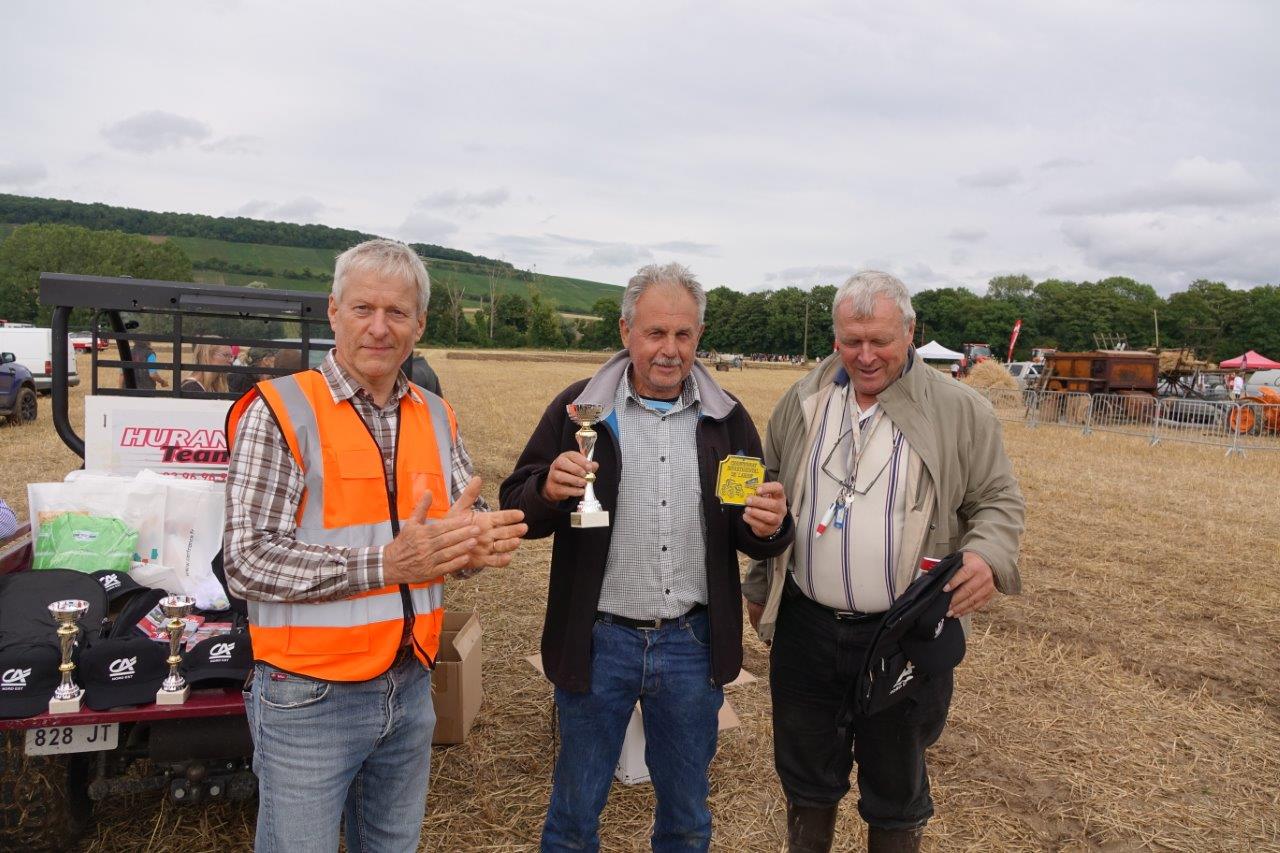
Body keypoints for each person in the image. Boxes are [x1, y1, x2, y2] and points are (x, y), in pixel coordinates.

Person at [224, 238, 528, 853]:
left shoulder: (438, 416)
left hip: (410, 685)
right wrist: (387, 562)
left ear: (420, 324)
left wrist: (472, 543)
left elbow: (445, 531)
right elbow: (247, 562)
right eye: (364, 309)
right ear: (333, 311)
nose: (379, 328)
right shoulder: (280, 411)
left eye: (397, 313)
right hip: (306, 696)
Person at [500, 262, 794, 852]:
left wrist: (771, 527)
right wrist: (547, 491)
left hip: (691, 643)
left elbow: (748, 527)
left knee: (685, 816)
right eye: (656, 333)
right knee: (575, 812)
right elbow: (518, 507)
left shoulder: (728, 419)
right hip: (598, 641)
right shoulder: (577, 410)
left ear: (698, 338)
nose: (670, 349)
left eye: (683, 335)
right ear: (626, 331)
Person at [742, 271, 1025, 853]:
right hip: (807, 628)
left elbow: (997, 500)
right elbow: (768, 492)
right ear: (835, 336)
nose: (864, 356)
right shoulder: (803, 400)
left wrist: (988, 555)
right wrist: (759, 580)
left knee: (895, 793)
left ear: (911, 333)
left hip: (904, 638)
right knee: (806, 781)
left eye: (880, 341)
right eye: (851, 341)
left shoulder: (960, 411)